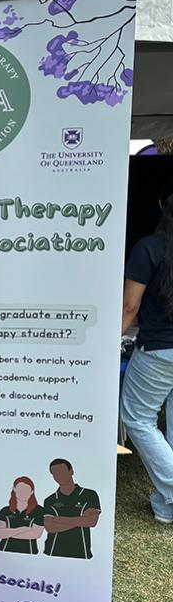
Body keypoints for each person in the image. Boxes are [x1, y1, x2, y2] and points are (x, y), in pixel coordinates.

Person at [121, 192, 173, 523]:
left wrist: (110, 340)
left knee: (137, 417)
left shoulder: (149, 248)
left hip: (159, 350)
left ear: (159, 207)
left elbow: (129, 307)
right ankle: (165, 506)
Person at [42, 459, 101, 559]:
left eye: (62, 472)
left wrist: (57, 519)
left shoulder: (89, 495)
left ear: (71, 471)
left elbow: (91, 522)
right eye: (55, 474)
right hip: (52, 552)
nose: (59, 476)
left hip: (81, 552)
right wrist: (81, 519)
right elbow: (50, 527)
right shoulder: (50, 500)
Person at [0, 476, 45, 554]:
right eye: (20, 489)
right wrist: (22, 529)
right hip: (3, 551)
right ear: (14, 489)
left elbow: (36, 534)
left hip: (29, 554)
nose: (23, 493)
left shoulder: (39, 511)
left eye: (26, 490)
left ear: (32, 492)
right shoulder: (5, 511)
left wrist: (7, 532)